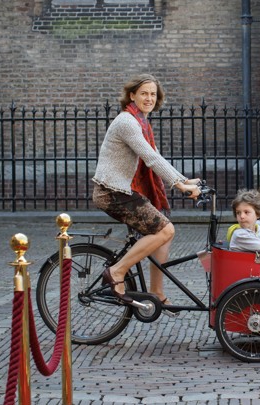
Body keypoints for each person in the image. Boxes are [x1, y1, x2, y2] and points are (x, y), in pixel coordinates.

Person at [92, 73, 201, 309]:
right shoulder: (127, 122)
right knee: (165, 230)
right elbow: (151, 158)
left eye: (153, 94)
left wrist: (184, 179)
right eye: (144, 93)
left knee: (163, 235)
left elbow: (156, 156)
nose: (149, 98)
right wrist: (180, 185)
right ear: (132, 95)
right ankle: (116, 271)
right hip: (111, 193)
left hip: (124, 190)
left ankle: (157, 293)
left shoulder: (141, 122)